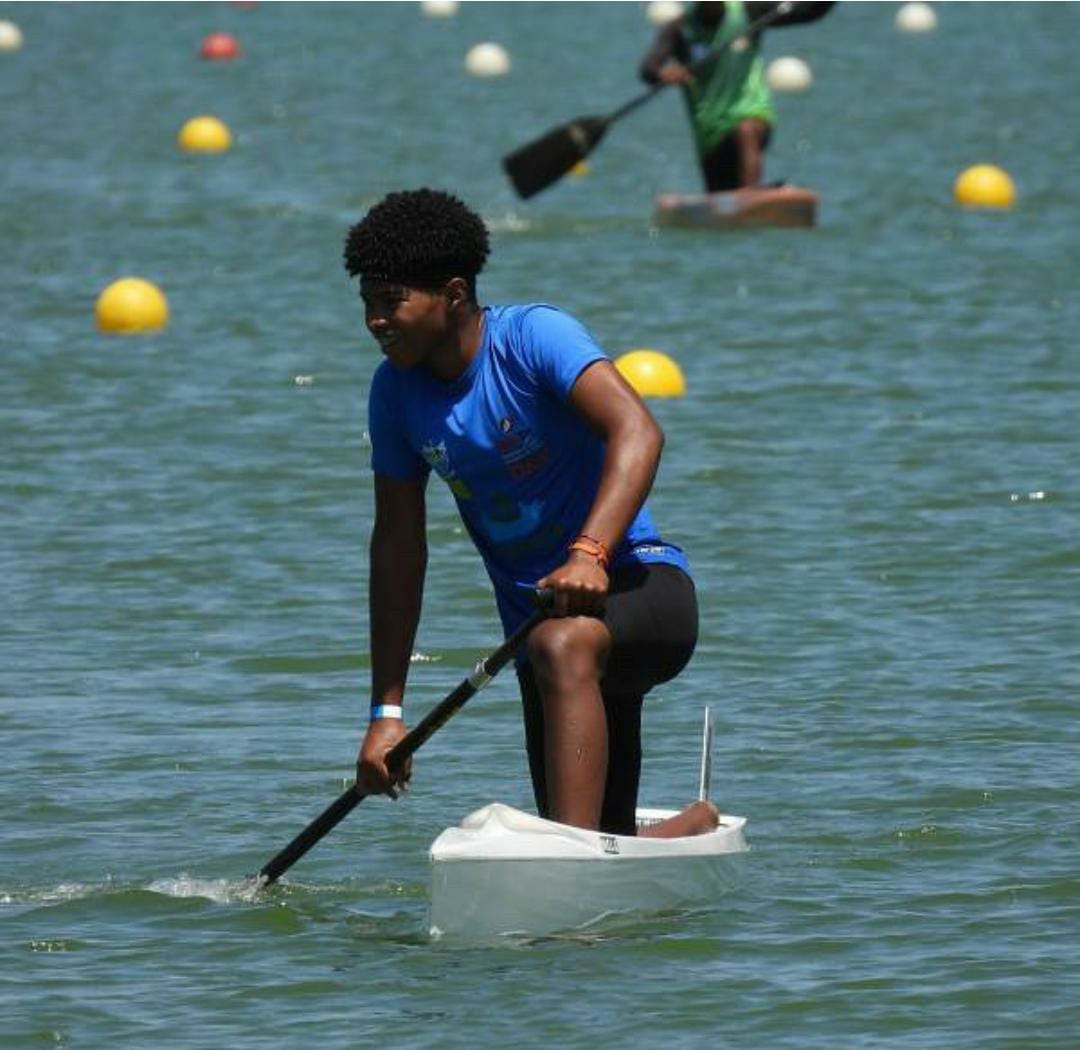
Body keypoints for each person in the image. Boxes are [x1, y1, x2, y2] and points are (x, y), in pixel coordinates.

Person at [347, 188, 715, 838]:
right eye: (367, 303)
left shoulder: (535, 337)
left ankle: (565, 870)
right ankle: (691, 827)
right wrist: (386, 712)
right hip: (538, 639)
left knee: (561, 646)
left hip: (639, 589)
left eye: (392, 300)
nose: (376, 320)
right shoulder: (393, 396)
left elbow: (639, 431)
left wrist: (590, 553)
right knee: (603, 836)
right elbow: (399, 549)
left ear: (455, 294)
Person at [640, 1, 834, 192]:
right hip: (710, 133)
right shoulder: (679, 29)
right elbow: (648, 68)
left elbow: (809, 11)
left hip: (753, 114)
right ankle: (758, 194)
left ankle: (752, 192)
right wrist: (663, 74)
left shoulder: (750, 12)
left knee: (746, 129)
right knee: (722, 193)